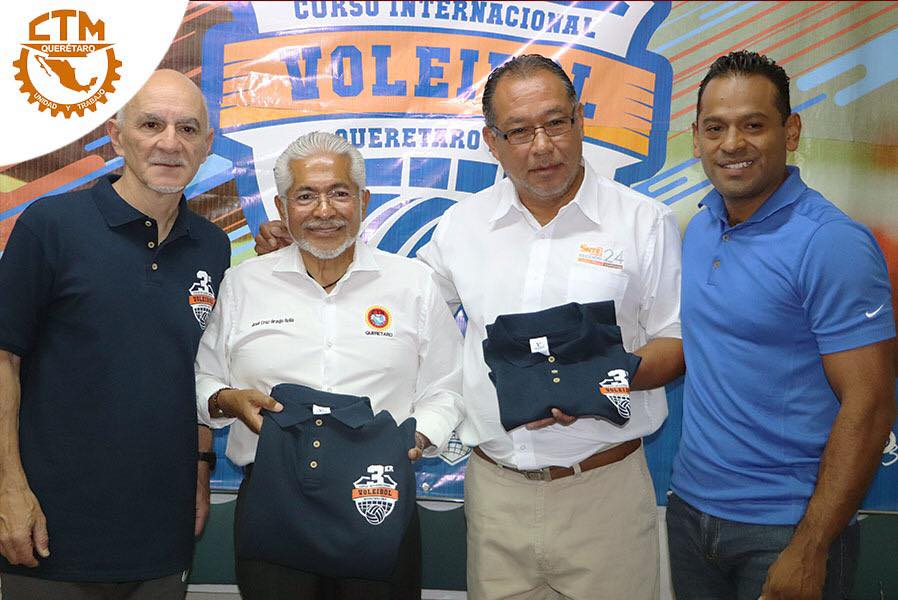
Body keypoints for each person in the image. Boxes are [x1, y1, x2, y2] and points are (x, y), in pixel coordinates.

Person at [195, 131, 463, 600]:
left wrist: (418, 436)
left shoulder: (413, 283)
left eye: (339, 193)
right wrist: (228, 400)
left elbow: (449, 384)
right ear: (281, 207)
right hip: (273, 501)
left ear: (364, 200)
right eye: (305, 196)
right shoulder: (242, 283)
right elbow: (203, 378)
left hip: (377, 497)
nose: (324, 211)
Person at [667, 50, 896, 600]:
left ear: (790, 131)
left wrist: (811, 547)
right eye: (715, 128)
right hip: (689, 513)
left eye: (753, 125)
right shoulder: (700, 227)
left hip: (786, 528)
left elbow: (869, 406)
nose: (732, 144)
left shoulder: (831, 242)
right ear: (696, 139)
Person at [0, 70, 230, 599]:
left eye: (188, 129)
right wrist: (7, 487)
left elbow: (201, 371)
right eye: (151, 124)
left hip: (162, 532)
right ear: (116, 136)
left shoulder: (213, 247)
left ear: (206, 145)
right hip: (48, 532)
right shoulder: (50, 225)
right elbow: (4, 358)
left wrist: (200, 470)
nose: (170, 143)